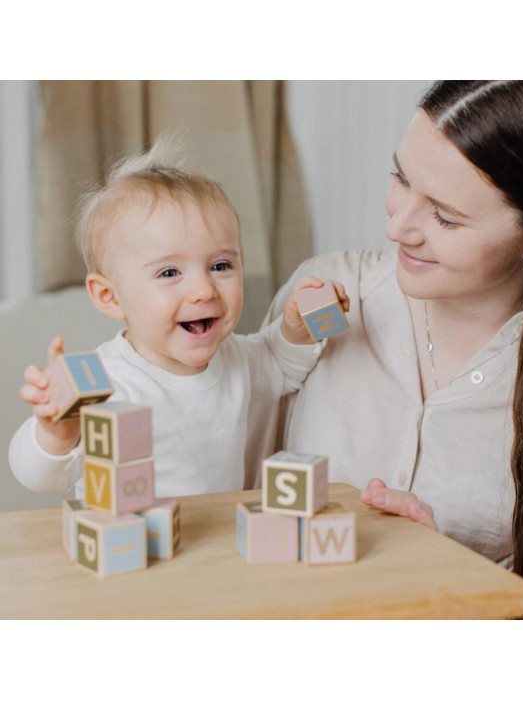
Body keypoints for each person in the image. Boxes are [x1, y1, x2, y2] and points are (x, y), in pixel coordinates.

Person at [261, 81, 523, 590]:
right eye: (400, 178)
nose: (397, 229)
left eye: (445, 217)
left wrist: (446, 575)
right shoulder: (322, 298)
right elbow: (222, 481)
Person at [9, 140, 349, 499]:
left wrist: (296, 331)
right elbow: (40, 479)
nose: (203, 290)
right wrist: (57, 435)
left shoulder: (235, 357)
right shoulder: (106, 382)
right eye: (170, 272)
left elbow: (281, 368)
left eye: (221, 266)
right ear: (110, 297)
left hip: (207, 545)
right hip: (129, 544)